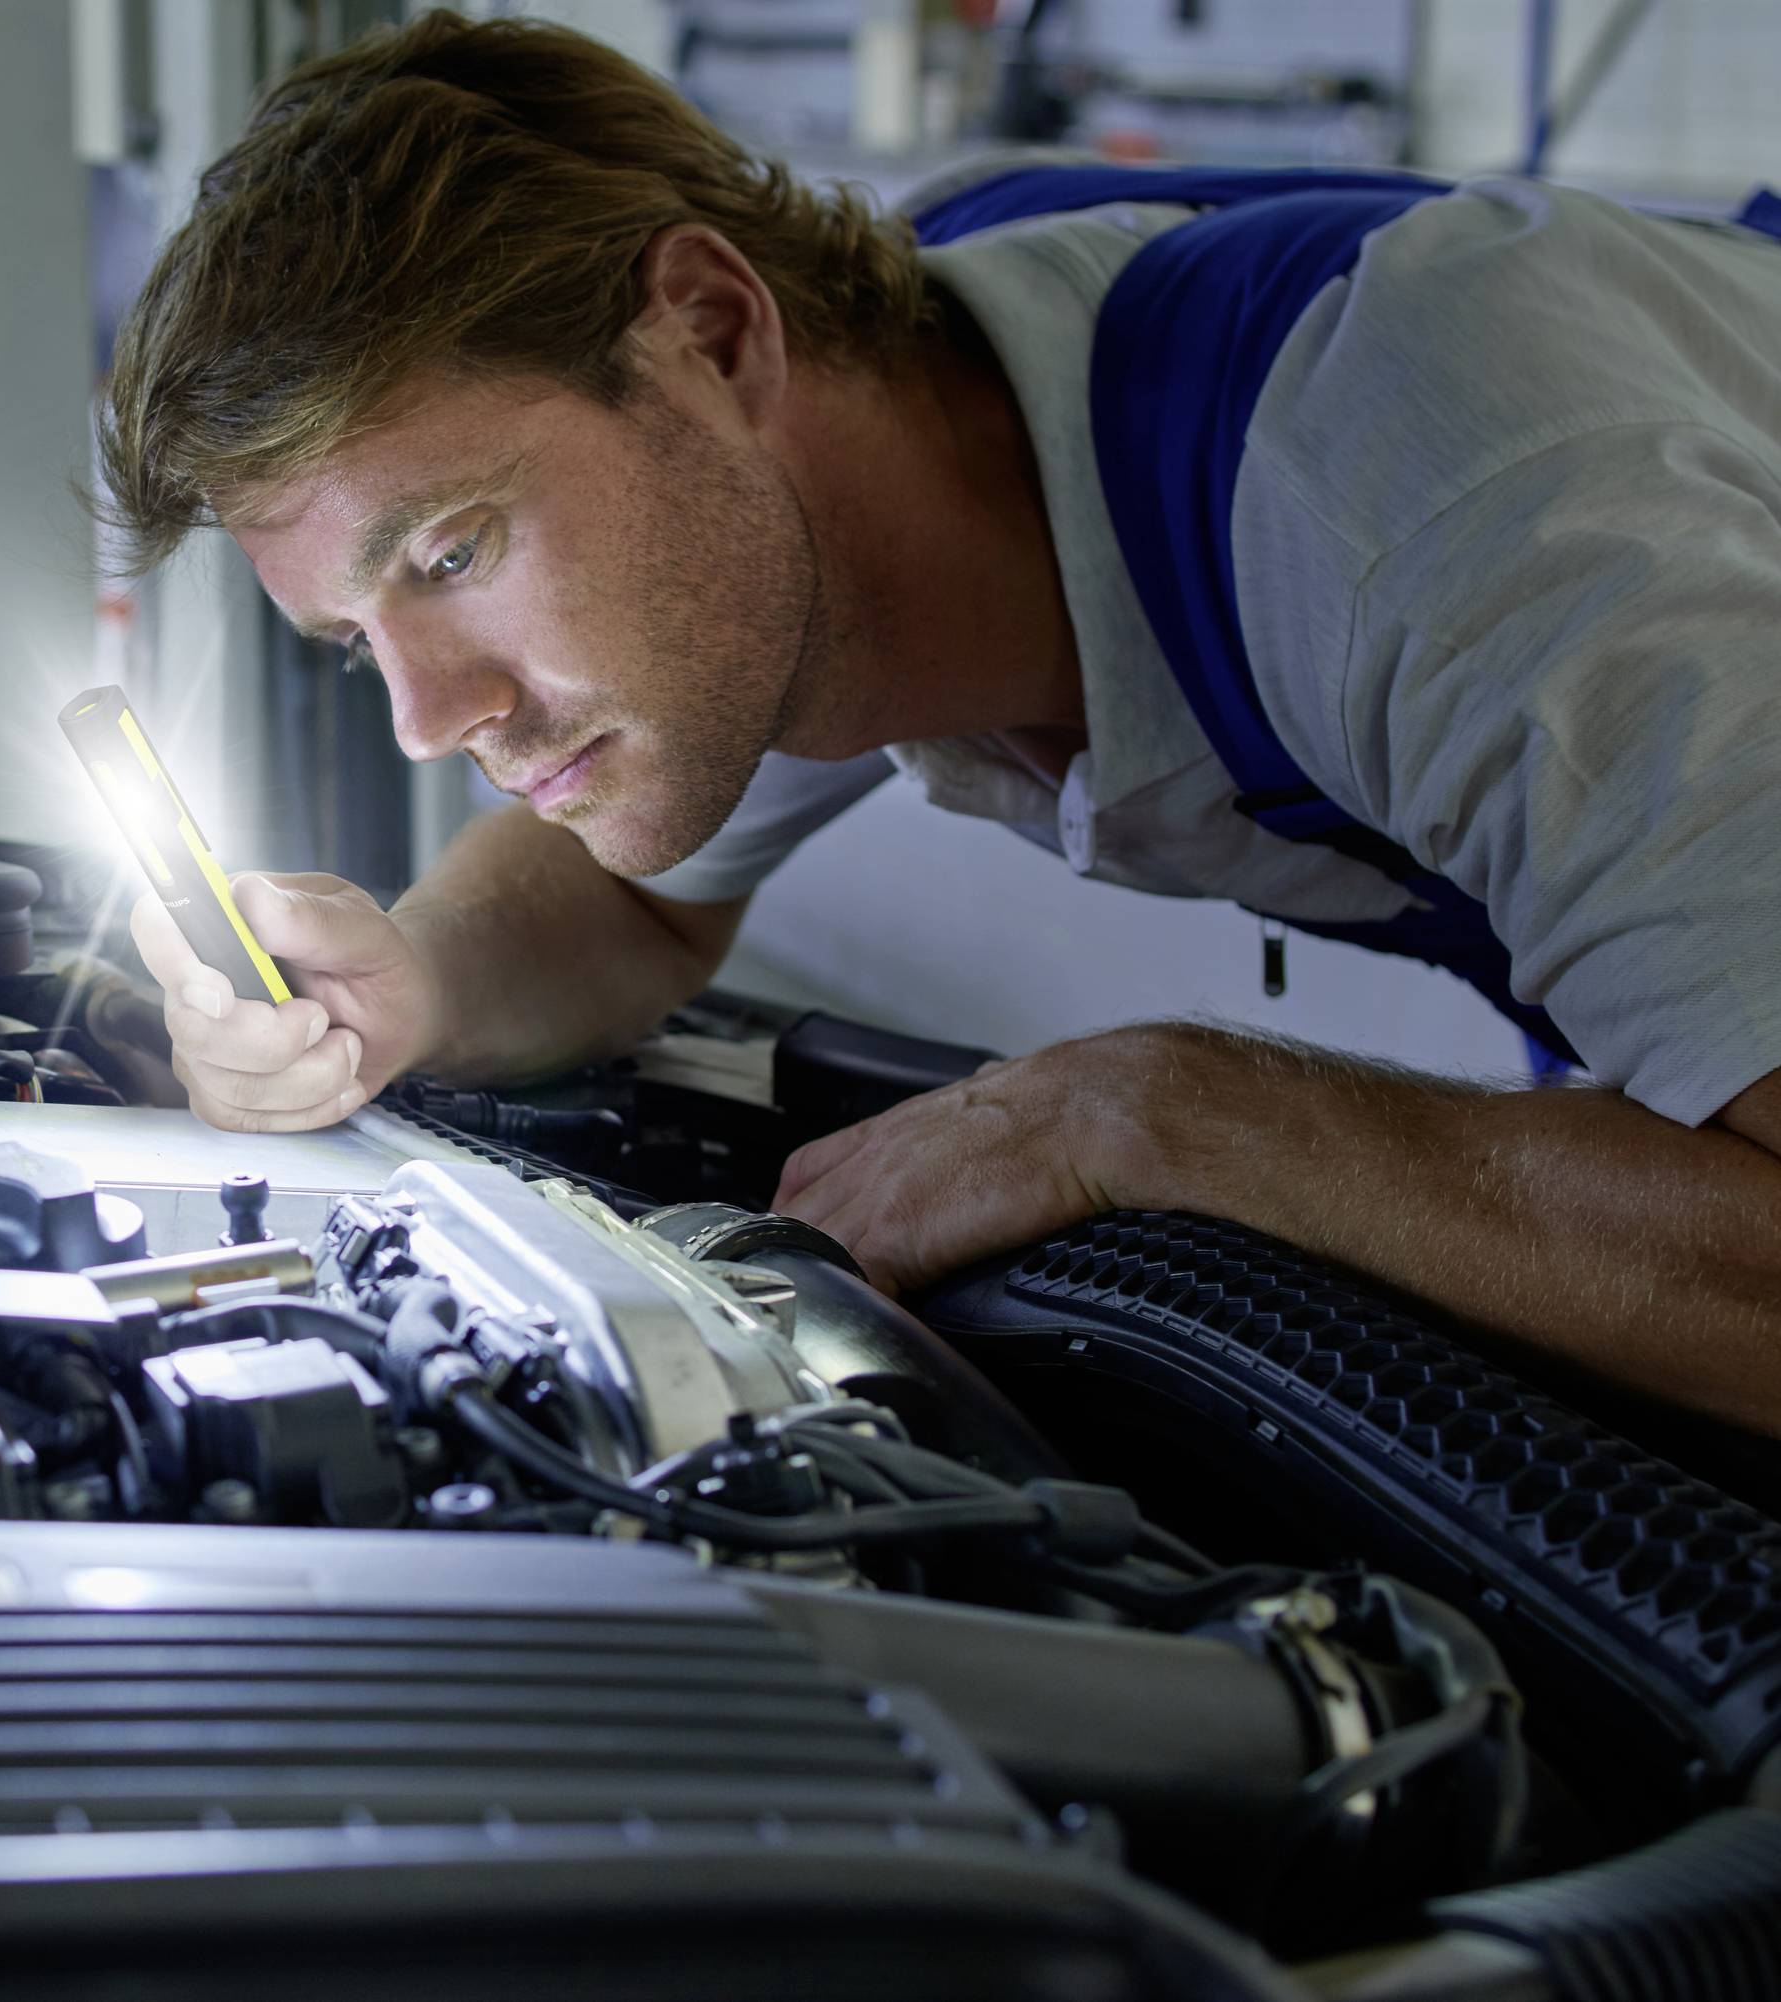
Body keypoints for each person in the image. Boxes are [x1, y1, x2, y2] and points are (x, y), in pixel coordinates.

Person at [94, 13, 1781, 1432]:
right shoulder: (872, 442)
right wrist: (416, 982)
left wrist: (1175, 1111)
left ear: (712, 331)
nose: (423, 716)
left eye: (454, 552)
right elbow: (619, 893)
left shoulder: (1425, 510)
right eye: (348, 643)